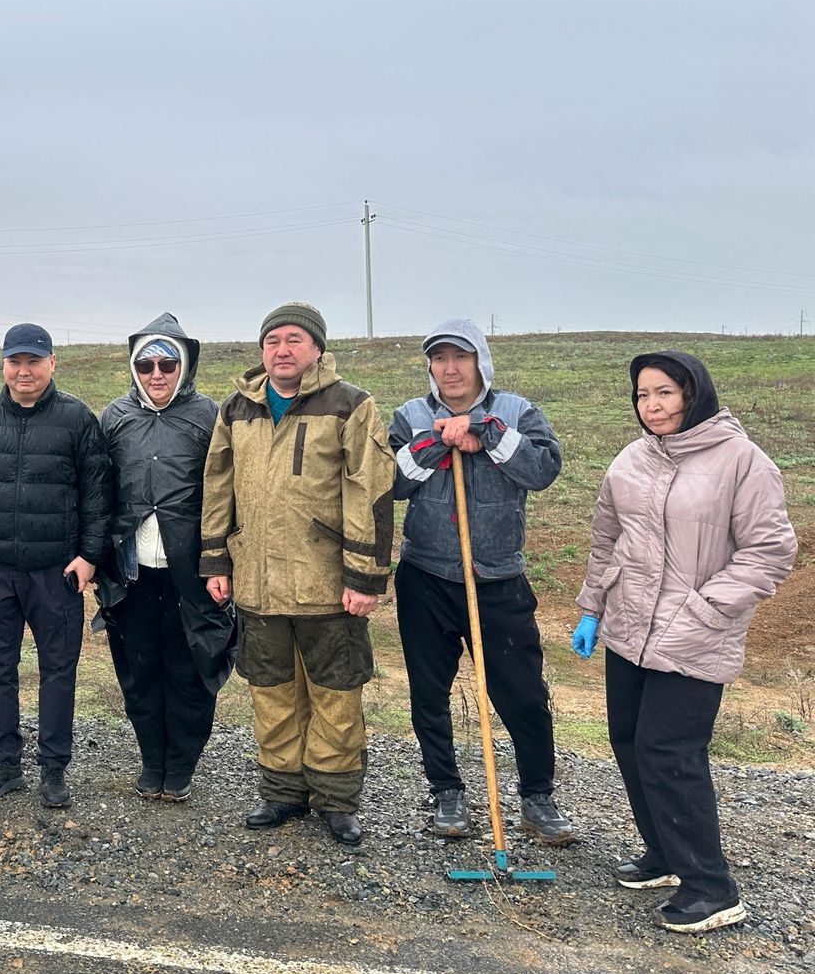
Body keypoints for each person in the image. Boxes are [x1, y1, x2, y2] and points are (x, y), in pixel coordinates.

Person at [573, 350, 796, 934]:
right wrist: (592, 608)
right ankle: (665, 853)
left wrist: (705, 608)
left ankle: (711, 888)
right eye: (643, 395)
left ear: (693, 394)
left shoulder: (742, 461)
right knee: (629, 741)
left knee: (669, 753)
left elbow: (770, 551)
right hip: (628, 629)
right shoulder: (631, 460)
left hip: (696, 636)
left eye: (665, 392)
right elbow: (606, 540)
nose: (652, 405)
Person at [200, 303, 394, 846]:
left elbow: (371, 491)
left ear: (317, 348)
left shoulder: (350, 405)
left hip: (327, 585)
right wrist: (215, 560)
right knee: (271, 692)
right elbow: (217, 485)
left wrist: (364, 577)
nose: (282, 350)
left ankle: (335, 800)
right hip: (257, 584)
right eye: (273, 341)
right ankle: (282, 791)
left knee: (336, 695)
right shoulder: (236, 408)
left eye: (294, 340)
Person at [388, 320, 572, 844]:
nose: (450, 368)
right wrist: (438, 440)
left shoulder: (518, 411)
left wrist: (486, 432)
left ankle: (537, 797)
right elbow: (391, 482)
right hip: (426, 576)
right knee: (429, 693)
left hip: (498, 578)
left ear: (480, 362)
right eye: (439, 358)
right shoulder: (410, 416)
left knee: (524, 695)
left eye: (460, 357)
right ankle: (447, 792)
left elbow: (542, 469)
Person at [0, 322, 111, 808]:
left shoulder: (77, 419)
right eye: (15, 362)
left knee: (58, 670)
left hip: (56, 572)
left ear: (51, 363)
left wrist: (90, 555)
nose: (24, 371)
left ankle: (54, 767)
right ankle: (5, 763)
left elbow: (97, 494)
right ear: (3, 365)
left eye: (34, 361)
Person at [96, 313, 234, 802]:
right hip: (131, 570)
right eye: (146, 365)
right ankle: (151, 759)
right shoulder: (114, 416)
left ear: (185, 366)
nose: (156, 375)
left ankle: (181, 764)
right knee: (139, 669)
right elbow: (98, 489)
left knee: (189, 667)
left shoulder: (209, 415)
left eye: (167, 365)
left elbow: (227, 492)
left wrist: (221, 562)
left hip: (190, 571)